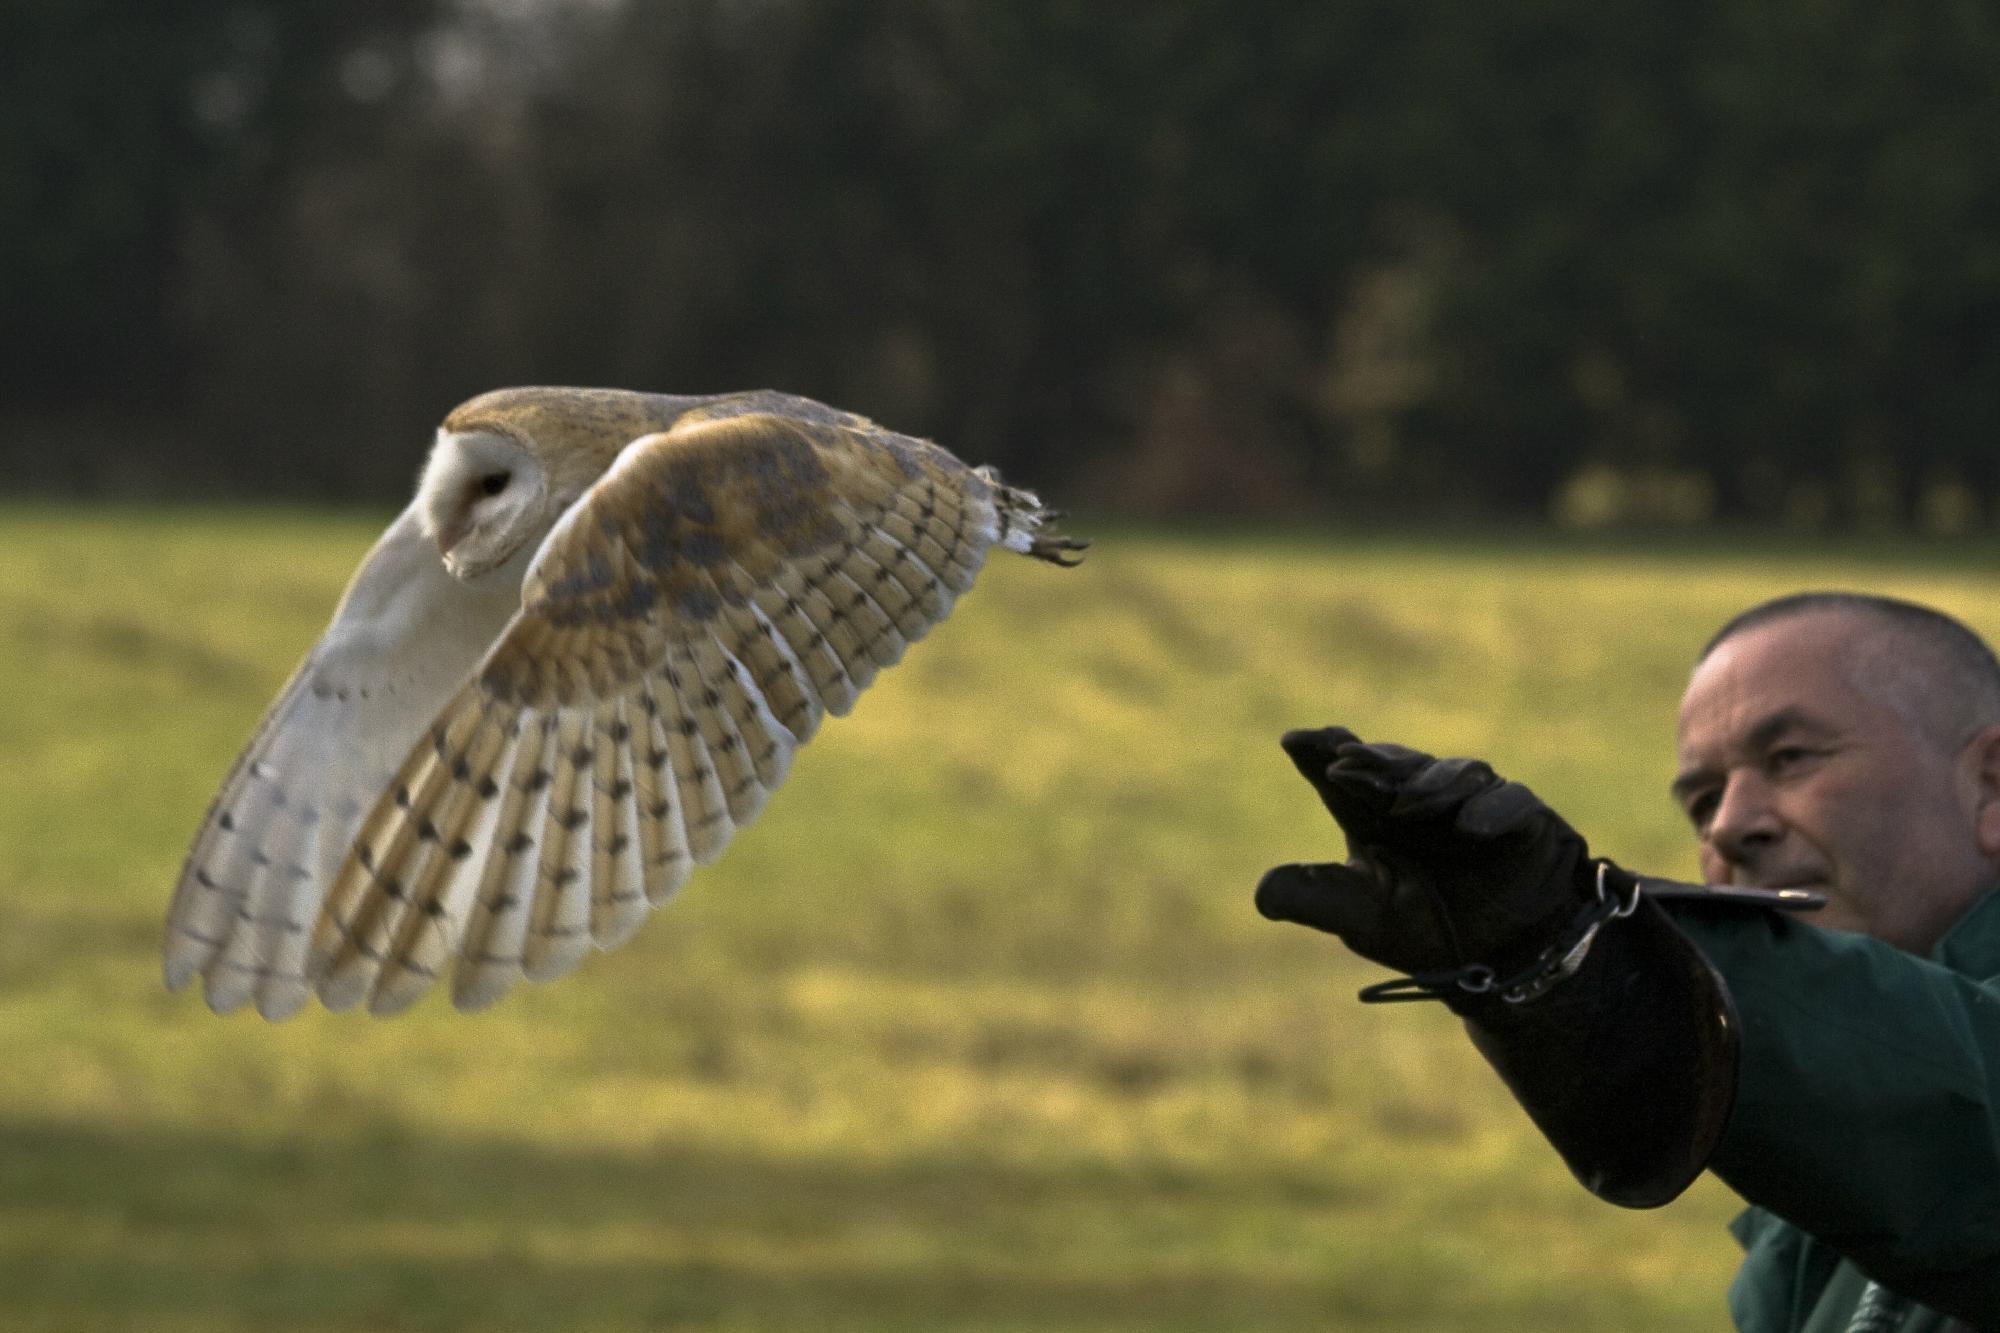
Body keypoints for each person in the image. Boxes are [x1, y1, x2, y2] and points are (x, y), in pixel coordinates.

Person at [1255, 591, 2000, 1331]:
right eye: (1703, 801)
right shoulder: (1814, 1208)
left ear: (1991, 782)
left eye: (1791, 758)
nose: (1732, 825)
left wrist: (1583, 951)